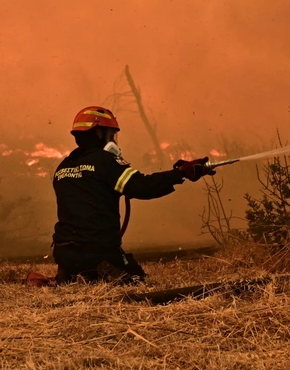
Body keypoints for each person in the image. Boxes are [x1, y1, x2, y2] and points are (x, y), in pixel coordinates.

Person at [51, 105, 215, 284]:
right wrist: (181, 173)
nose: (113, 141)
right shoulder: (105, 161)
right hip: (97, 252)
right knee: (137, 280)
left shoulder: (63, 167)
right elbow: (142, 186)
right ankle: (100, 271)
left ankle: (72, 274)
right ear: (98, 133)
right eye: (110, 135)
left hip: (64, 254)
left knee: (85, 270)